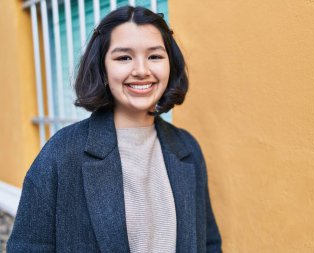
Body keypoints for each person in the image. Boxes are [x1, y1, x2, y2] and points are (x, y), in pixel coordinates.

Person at [7, 5, 222, 253]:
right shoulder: (63, 152)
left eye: (155, 56)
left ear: (170, 65)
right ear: (103, 70)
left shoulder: (187, 148)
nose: (142, 70)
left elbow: (208, 243)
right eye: (123, 57)